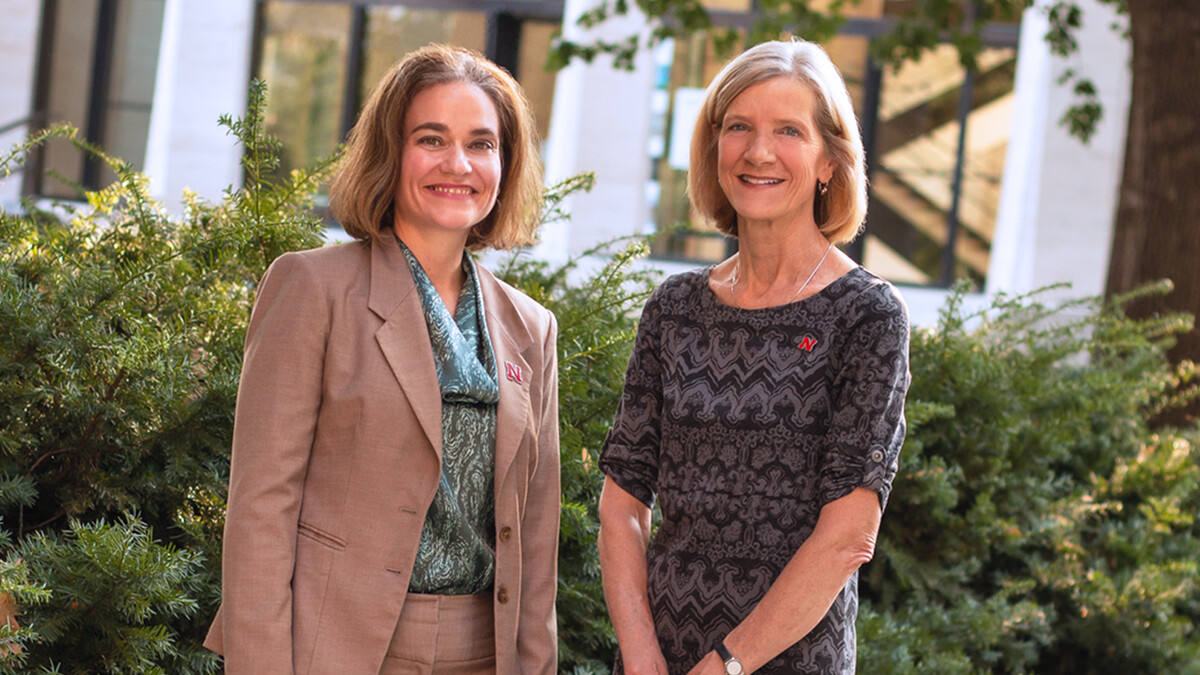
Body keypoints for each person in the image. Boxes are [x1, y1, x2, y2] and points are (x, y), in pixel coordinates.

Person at [204, 44, 560, 675]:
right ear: (389, 153)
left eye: (482, 144)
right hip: (337, 645)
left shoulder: (531, 328)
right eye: (431, 139)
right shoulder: (313, 289)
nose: (459, 163)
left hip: (484, 651)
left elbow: (535, 531)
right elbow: (262, 505)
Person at [598, 39, 910, 675]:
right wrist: (639, 655)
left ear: (829, 161)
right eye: (738, 126)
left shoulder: (867, 315)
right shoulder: (674, 308)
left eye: (788, 130)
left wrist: (725, 667)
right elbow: (623, 499)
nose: (758, 151)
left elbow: (850, 535)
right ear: (715, 149)